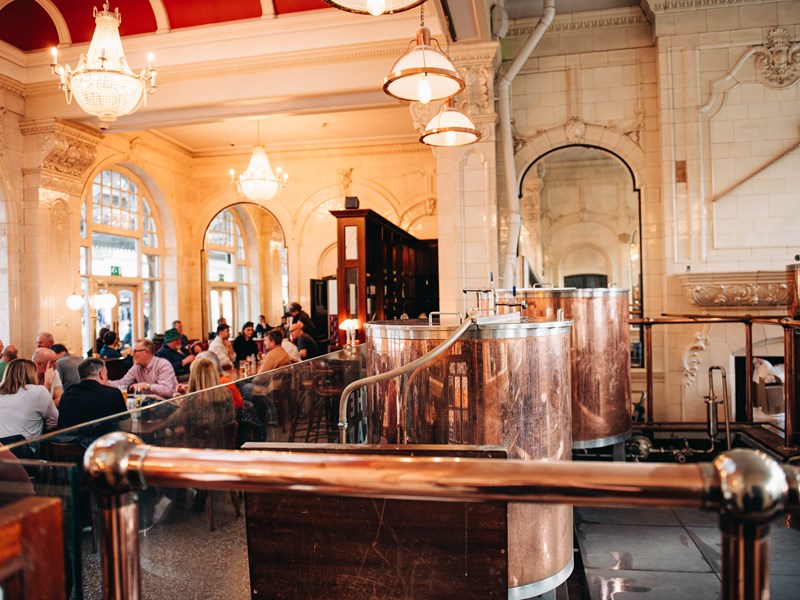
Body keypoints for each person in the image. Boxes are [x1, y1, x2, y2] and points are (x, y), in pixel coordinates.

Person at [56, 358, 131, 442]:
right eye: (106, 374)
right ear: (101, 374)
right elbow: (126, 428)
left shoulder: (67, 395)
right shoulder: (113, 394)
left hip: (68, 451)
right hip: (101, 449)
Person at [165, 357, 235, 442]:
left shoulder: (194, 400)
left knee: (172, 431)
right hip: (225, 447)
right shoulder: (227, 393)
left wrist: (183, 400)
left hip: (201, 450)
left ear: (194, 377)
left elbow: (171, 421)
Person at [0, 359, 58, 457]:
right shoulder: (38, 391)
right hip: (21, 452)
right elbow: (54, 422)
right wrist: (47, 383)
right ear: (31, 373)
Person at [108, 338, 177, 398]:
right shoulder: (136, 367)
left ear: (147, 352)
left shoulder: (163, 365)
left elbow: (167, 390)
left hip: (167, 406)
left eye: (135, 351)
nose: (132, 354)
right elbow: (122, 384)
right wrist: (104, 382)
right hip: (149, 406)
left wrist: (147, 386)